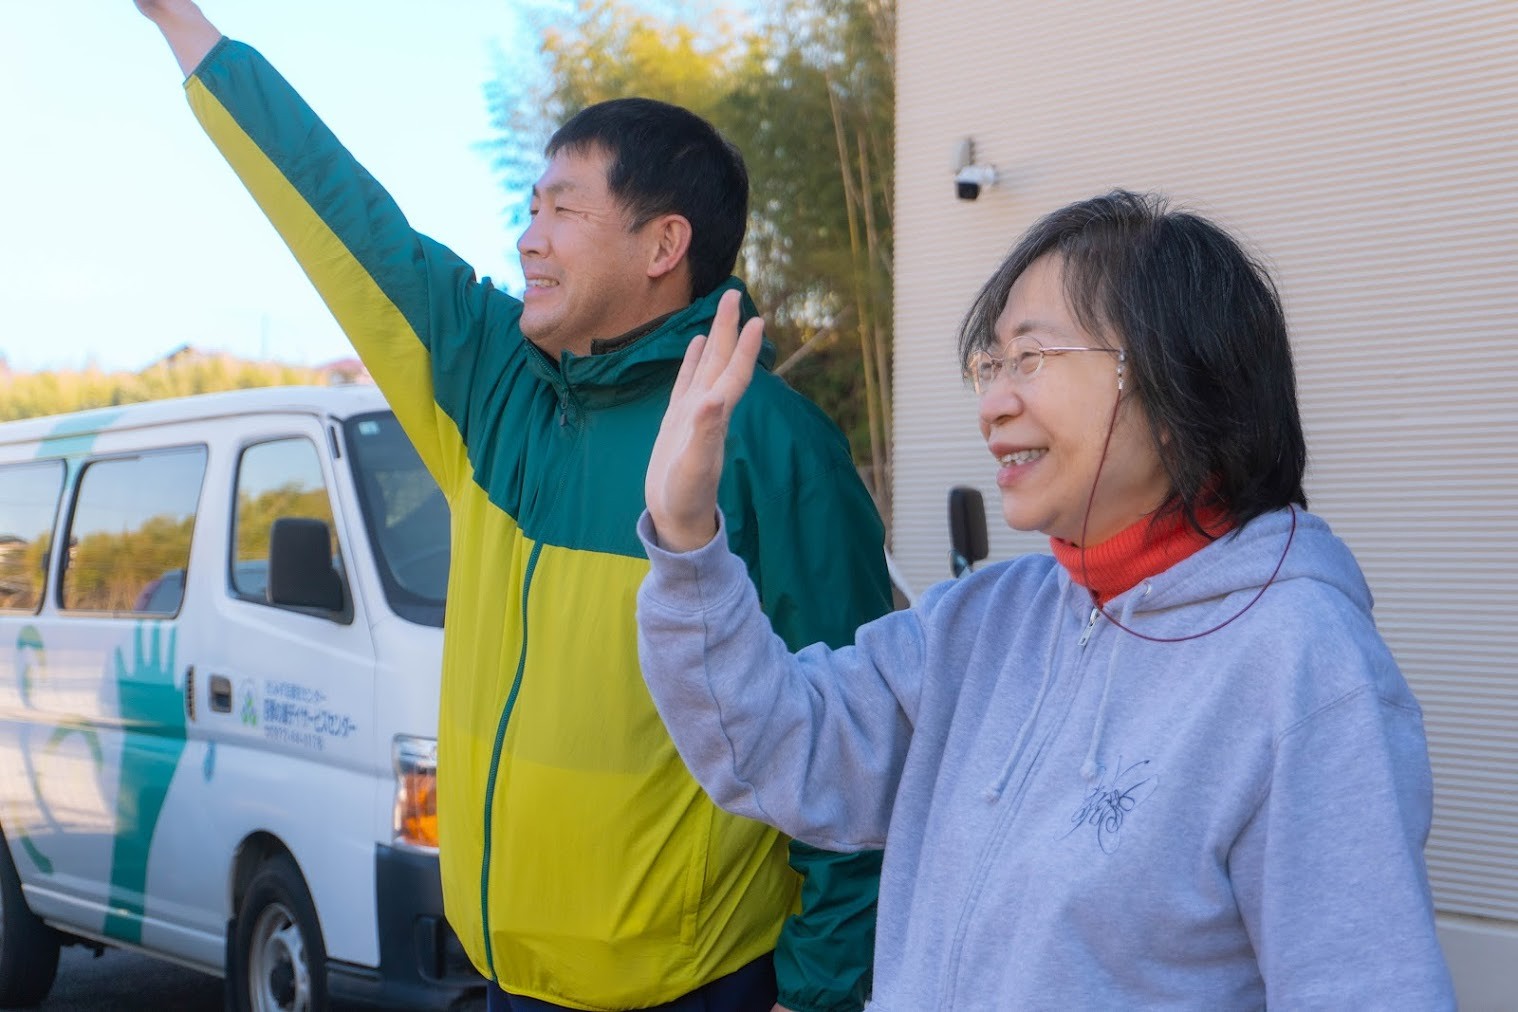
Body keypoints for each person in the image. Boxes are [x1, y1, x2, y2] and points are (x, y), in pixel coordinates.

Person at [134, 3, 892, 1011]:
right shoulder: (496, 385)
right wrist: (182, 24)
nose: (527, 239)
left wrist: (823, 995)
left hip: (698, 990)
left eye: (562, 212)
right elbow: (349, 220)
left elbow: (857, 747)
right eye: (530, 208)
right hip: (508, 983)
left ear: (664, 242)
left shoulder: (773, 443)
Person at [637, 191, 1456, 1007]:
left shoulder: (1300, 661)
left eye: (1030, 358)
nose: (993, 402)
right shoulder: (985, 618)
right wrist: (684, 537)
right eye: (989, 365)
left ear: (1178, 377)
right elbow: (774, 746)